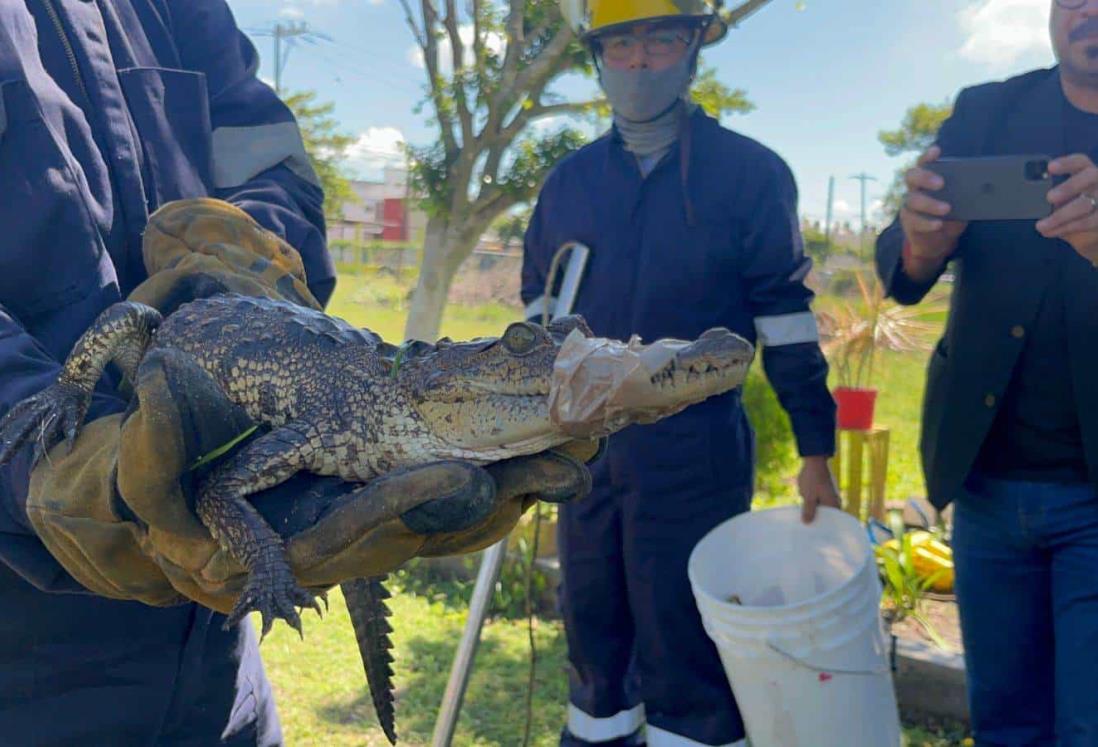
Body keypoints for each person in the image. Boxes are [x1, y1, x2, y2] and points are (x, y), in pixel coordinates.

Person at [0, 2, 592, 744]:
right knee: (129, 337)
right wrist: (46, 451)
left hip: (218, 669)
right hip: (25, 653)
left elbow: (274, 164)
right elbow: (215, 488)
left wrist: (263, 265)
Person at [521, 1, 840, 743]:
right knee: (593, 635)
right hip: (588, 454)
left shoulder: (750, 176)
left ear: (693, 49)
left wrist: (816, 448)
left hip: (696, 454)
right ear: (597, 58)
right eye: (621, 43)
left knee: (685, 642)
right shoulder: (567, 185)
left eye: (660, 39)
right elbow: (537, 319)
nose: (639, 62)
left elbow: (786, 321)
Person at [875, 2, 1098, 742]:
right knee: (1002, 719)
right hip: (985, 486)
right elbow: (907, 261)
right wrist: (918, 244)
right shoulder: (987, 113)